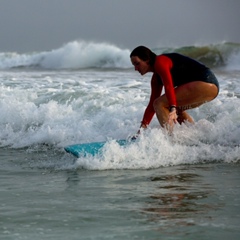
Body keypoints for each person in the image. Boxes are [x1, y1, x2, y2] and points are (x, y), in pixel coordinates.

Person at [130, 46, 219, 133]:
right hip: (209, 87)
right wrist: (141, 130)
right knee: (175, 108)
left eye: (137, 64)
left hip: (206, 82)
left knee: (160, 103)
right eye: (134, 65)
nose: (135, 68)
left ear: (147, 60)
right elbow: (151, 107)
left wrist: (172, 107)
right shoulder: (155, 79)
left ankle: (171, 140)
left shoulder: (160, 62)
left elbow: (169, 86)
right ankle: (195, 136)